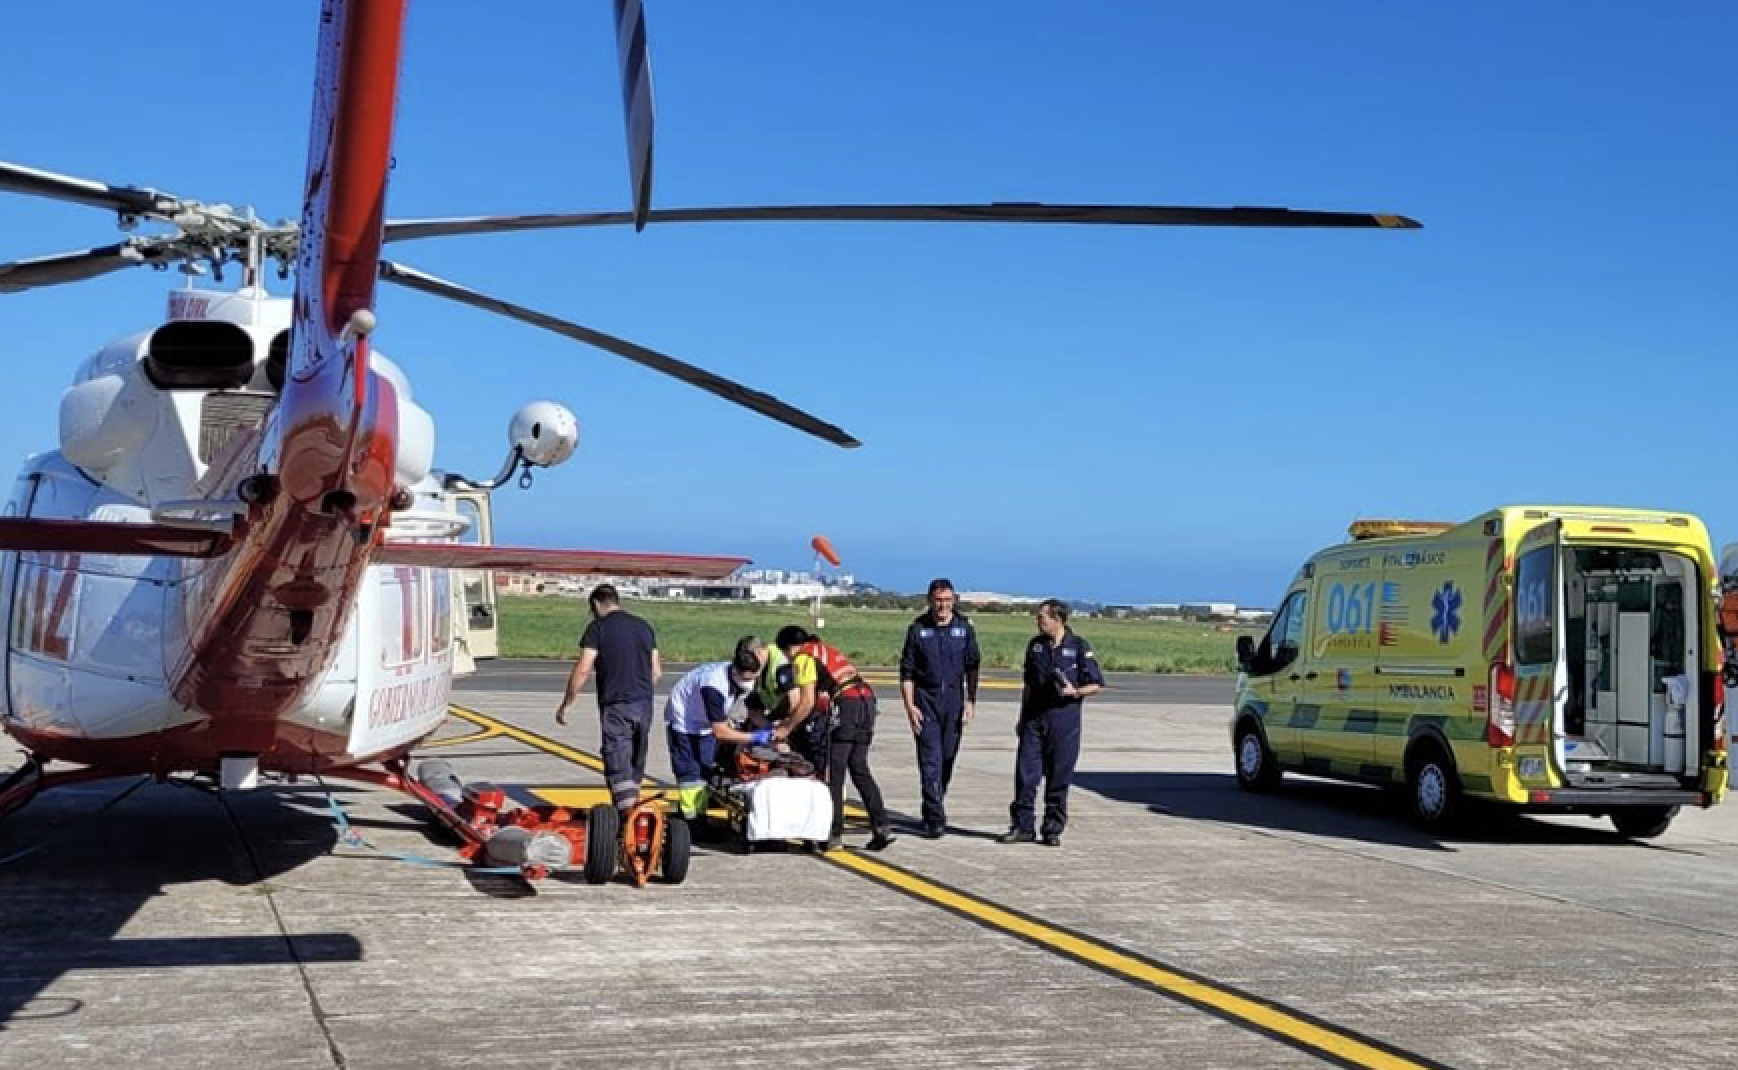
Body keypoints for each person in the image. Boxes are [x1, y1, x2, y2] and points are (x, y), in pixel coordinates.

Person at [775, 625, 894, 852]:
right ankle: (882, 826)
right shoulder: (826, 650)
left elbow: (807, 702)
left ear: (789, 648)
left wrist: (786, 728)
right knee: (859, 768)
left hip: (847, 706)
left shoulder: (804, 658)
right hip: (866, 701)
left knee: (834, 771)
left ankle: (833, 833)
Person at [999, 599, 1103, 847]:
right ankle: (1023, 826)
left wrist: (1074, 692)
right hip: (1035, 719)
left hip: (1064, 721)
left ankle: (1052, 828)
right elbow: (1028, 685)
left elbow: (1096, 684)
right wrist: (1022, 718)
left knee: (1059, 776)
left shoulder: (1078, 647)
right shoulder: (1035, 646)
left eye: (1042, 617)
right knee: (1026, 776)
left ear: (1058, 619)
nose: (1038, 621)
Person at [555, 584, 660, 814]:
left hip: (616, 704)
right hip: (644, 703)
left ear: (595, 604)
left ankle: (626, 816)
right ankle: (635, 809)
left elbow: (583, 669)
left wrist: (566, 703)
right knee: (636, 759)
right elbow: (656, 672)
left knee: (617, 760)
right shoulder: (644, 627)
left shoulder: (597, 628)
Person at [899, 578, 981, 838]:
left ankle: (932, 804)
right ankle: (936, 818)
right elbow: (907, 673)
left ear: (954, 600)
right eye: (938, 601)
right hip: (926, 701)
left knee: (947, 759)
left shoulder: (964, 629)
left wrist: (971, 700)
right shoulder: (918, 630)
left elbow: (972, 667)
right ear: (929, 601)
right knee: (930, 760)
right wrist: (910, 706)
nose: (943, 606)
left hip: (954, 701)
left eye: (947, 601)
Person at [662, 639, 778, 820]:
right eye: (746, 679)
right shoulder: (714, 686)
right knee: (691, 774)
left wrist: (772, 730)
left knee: (706, 767)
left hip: (705, 722)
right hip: (685, 721)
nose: (750, 683)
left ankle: (700, 811)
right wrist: (754, 737)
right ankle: (692, 822)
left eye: (753, 678)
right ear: (736, 671)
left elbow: (754, 710)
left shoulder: (745, 675)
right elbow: (720, 732)